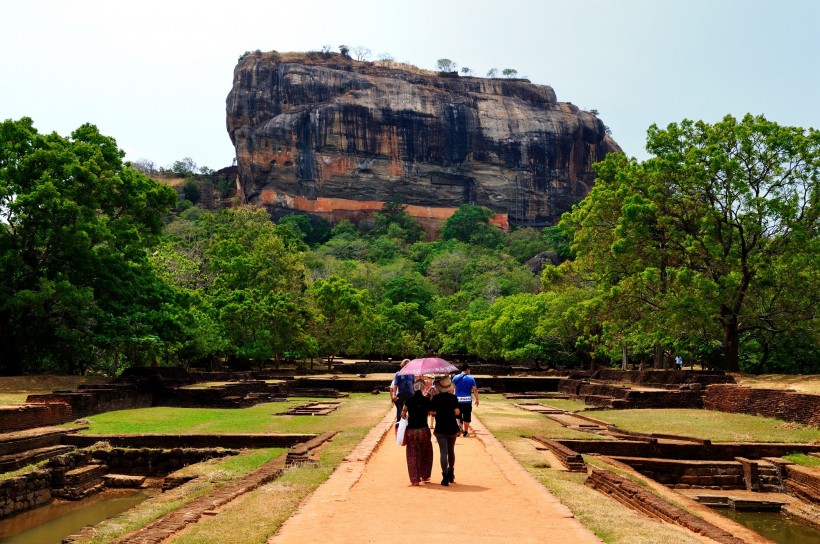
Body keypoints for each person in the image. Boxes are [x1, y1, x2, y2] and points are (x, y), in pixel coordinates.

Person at [401, 379, 433, 486]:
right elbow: (431, 412)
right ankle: (424, 475)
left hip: (411, 430)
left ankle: (415, 479)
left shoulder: (408, 400)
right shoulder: (426, 400)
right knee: (426, 452)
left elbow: (403, 414)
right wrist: (429, 399)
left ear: (413, 388)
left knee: (412, 454)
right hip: (423, 429)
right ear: (423, 388)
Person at [431, 376, 460, 486]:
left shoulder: (436, 398)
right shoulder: (453, 398)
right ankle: (451, 472)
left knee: (443, 452)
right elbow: (457, 412)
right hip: (451, 426)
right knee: (451, 450)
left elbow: (431, 411)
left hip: (440, 426)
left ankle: (445, 477)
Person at [453, 364, 479, 437]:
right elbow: (474, 389)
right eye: (469, 369)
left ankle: (459, 430)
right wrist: (477, 399)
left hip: (457, 400)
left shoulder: (455, 377)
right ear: (467, 369)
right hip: (467, 400)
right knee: (467, 416)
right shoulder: (471, 378)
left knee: (458, 416)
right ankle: (465, 432)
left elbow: (452, 388)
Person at [390, 359, 414, 429]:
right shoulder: (398, 373)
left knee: (411, 412)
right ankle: (398, 428)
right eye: (406, 364)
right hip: (401, 395)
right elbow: (395, 384)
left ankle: (410, 428)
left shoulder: (412, 374)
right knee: (400, 412)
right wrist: (394, 394)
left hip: (410, 395)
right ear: (403, 365)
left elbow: (413, 384)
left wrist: (415, 393)